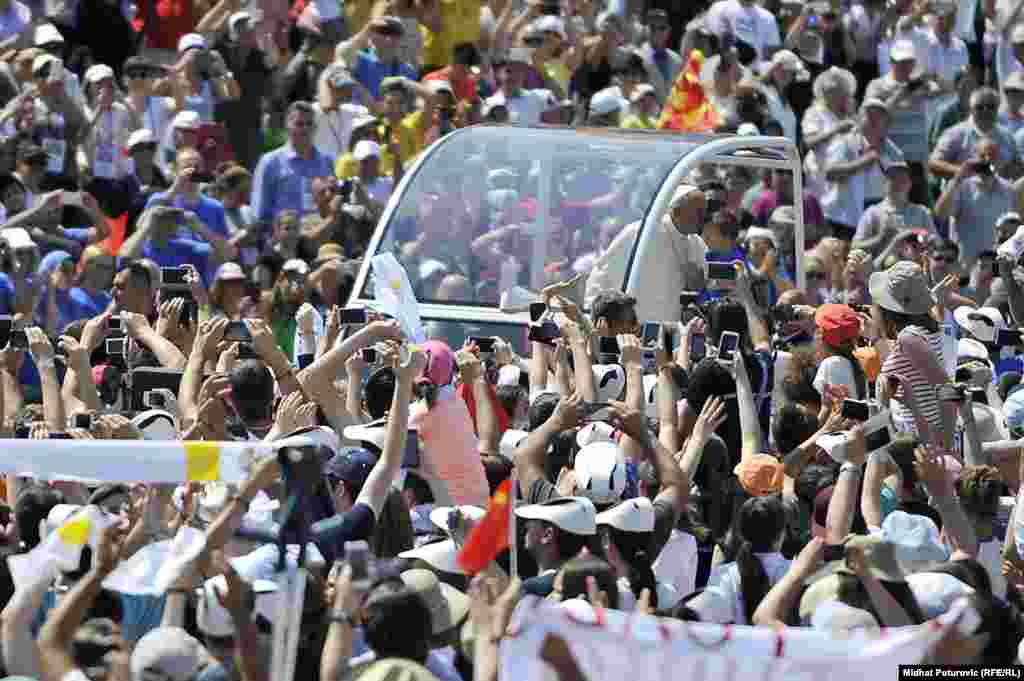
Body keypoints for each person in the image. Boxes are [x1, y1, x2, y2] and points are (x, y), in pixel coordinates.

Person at [586, 183, 708, 323]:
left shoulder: (695, 243)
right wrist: (592, 313)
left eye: (704, 211)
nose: (703, 217)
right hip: (632, 324)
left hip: (670, 328)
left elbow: (706, 284)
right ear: (677, 210)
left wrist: (698, 281)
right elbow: (602, 274)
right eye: (698, 211)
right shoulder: (641, 232)